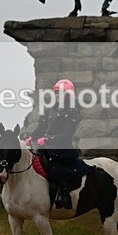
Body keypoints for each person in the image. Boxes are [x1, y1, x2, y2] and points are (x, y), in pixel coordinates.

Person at [25, 79, 93, 209]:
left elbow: (66, 135)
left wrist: (48, 139)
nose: (57, 95)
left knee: (54, 164)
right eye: (56, 92)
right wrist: (32, 136)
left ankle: (64, 197)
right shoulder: (51, 109)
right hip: (48, 147)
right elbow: (42, 126)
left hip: (62, 149)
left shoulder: (72, 111)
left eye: (60, 92)